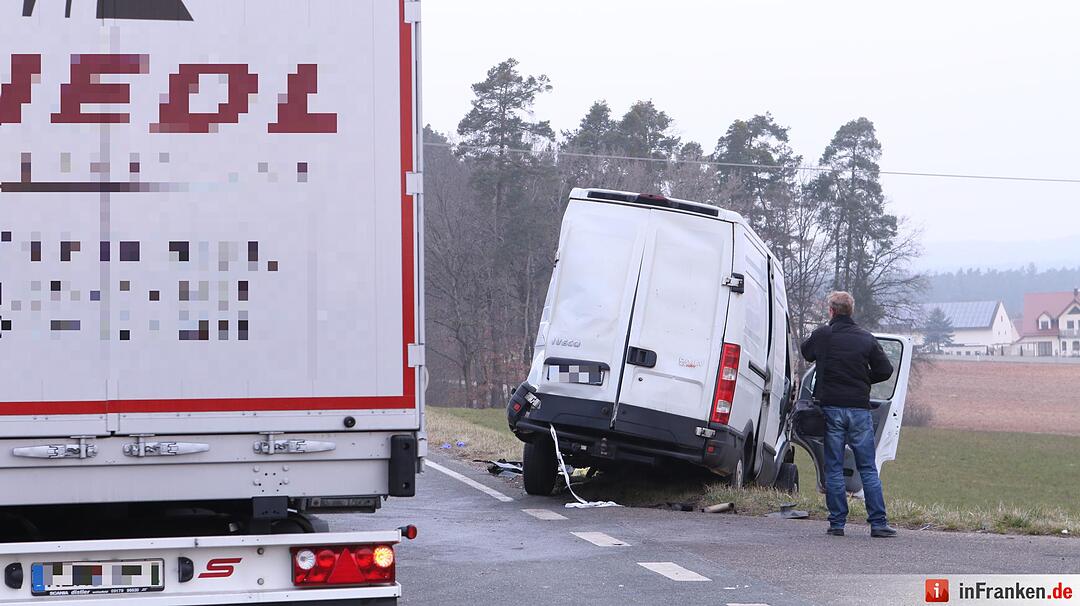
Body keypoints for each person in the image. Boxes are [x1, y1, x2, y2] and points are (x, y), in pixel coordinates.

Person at [801, 291, 897, 538]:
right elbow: (885, 370)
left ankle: (837, 524)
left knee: (833, 467)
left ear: (831, 311)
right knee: (868, 468)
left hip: (831, 409)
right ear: (851, 311)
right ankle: (878, 523)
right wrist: (863, 379)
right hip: (859, 409)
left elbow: (806, 353)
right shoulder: (866, 338)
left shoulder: (823, 335)